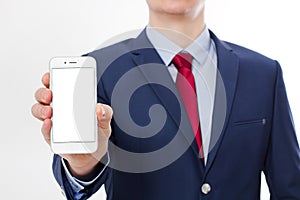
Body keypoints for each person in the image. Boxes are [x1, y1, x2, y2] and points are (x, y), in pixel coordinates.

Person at [32, 0, 300, 199]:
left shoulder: (264, 74)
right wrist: (83, 161)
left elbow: (290, 188)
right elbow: (77, 184)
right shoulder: (99, 69)